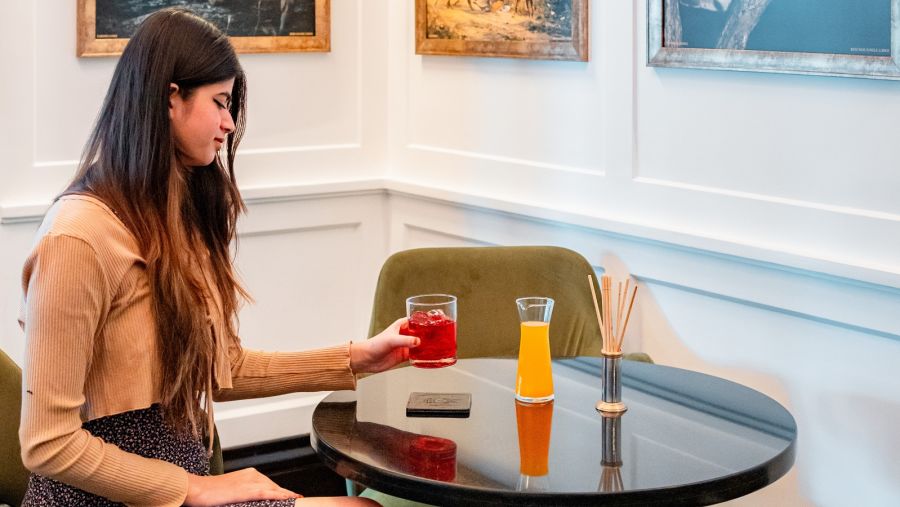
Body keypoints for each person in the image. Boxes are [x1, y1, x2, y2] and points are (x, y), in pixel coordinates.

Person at [17, 7, 416, 506]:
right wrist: (195, 488)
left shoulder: (175, 214)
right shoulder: (77, 239)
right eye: (220, 102)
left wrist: (357, 358)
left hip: (189, 485)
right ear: (170, 98)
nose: (229, 123)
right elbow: (48, 446)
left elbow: (221, 370)